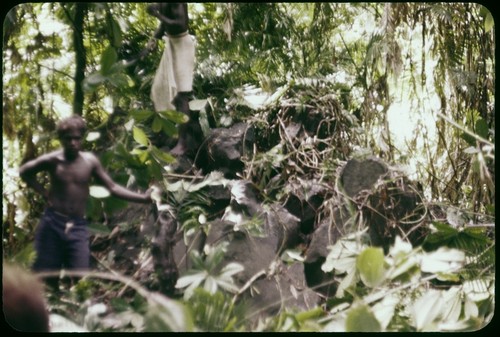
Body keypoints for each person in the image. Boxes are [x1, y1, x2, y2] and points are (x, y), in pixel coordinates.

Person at [19, 115, 153, 280]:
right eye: (68, 139)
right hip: (53, 222)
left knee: (80, 275)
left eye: (77, 139)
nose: (73, 143)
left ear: (81, 138)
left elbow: (112, 187)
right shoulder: (53, 160)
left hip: (77, 225)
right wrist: (43, 192)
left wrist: (143, 198)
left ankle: (75, 302)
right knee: (46, 275)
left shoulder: (89, 162)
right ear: (61, 139)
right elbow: (24, 172)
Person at [147, 2, 203, 158]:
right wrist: (154, 38)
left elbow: (180, 23)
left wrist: (157, 14)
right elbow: (165, 23)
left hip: (182, 46)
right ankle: (165, 134)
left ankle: (182, 143)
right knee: (158, 89)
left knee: (182, 96)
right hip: (171, 45)